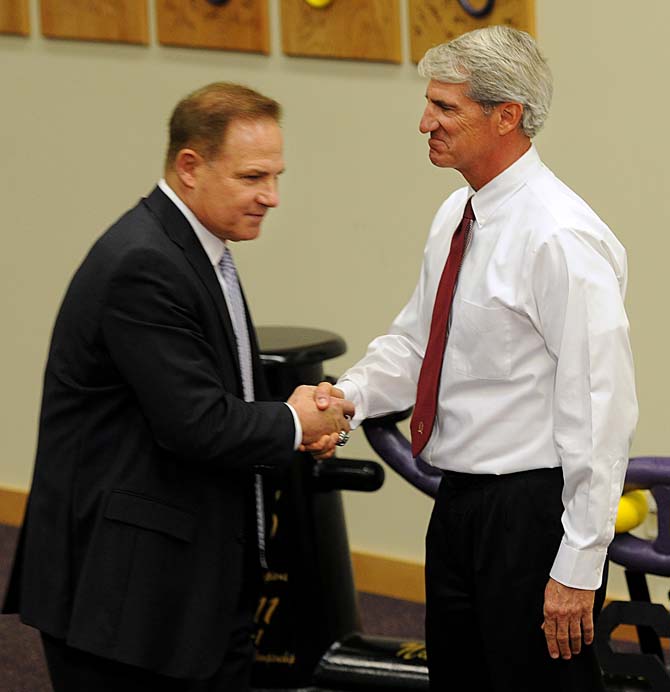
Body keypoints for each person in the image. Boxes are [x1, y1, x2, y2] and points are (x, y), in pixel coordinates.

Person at [312, 26, 637, 692]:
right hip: (459, 507)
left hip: (531, 516)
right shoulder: (458, 212)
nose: (423, 122)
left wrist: (578, 565)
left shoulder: (560, 237)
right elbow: (415, 344)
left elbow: (601, 410)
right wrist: (346, 398)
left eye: (445, 107)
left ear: (507, 115)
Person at [2, 82, 354, 692]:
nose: (271, 197)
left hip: (187, 587)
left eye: (276, 176)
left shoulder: (196, 249)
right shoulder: (145, 264)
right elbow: (197, 423)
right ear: (190, 167)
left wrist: (293, 424)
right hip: (125, 604)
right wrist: (297, 423)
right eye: (252, 177)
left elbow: (205, 396)